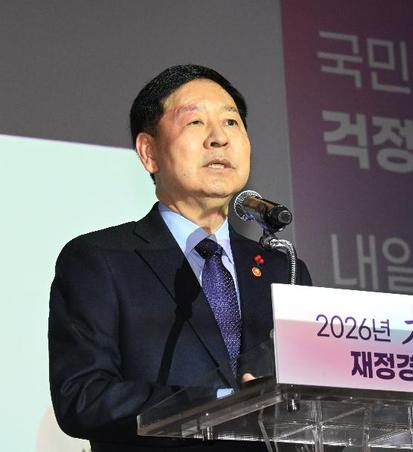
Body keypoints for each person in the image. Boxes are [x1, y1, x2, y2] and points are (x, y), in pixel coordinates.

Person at [48, 64, 311, 452]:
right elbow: (84, 397)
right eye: (195, 122)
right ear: (149, 152)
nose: (219, 138)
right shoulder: (99, 259)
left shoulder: (282, 269)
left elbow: (313, 405)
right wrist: (219, 405)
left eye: (231, 122)